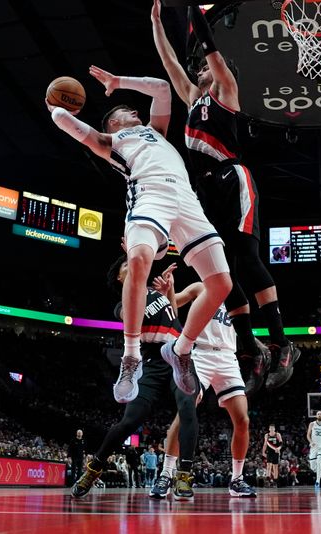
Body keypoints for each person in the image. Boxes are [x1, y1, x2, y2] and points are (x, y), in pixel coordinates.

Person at [47, 64, 232, 401]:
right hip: (149, 194)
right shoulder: (110, 141)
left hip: (187, 199)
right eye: (125, 110)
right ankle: (131, 356)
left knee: (222, 284)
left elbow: (161, 88)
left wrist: (119, 81)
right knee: (140, 262)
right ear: (114, 122)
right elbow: (70, 126)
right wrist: (56, 109)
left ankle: (181, 349)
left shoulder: (156, 131)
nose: (134, 110)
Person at [150, 0, 299, 392]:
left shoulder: (226, 91)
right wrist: (157, 26)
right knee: (220, 271)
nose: (199, 69)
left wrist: (191, 12)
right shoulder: (193, 100)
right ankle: (250, 348)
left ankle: (283, 343)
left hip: (233, 179)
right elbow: (169, 65)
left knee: (247, 259)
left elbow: (210, 47)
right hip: (206, 190)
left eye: (206, 67)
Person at [69, 260, 199, 498]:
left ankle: (183, 475)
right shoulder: (122, 304)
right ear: (120, 279)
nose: (134, 264)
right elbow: (130, 316)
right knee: (130, 421)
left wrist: (169, 289)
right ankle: (94, 468)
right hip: (153, 362)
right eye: (127, 265)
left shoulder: (154, 291)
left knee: (188, 409)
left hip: (179, 356)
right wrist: (139, 290)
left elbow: (173, 316)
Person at [154, 268, 257, 498]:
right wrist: (168, 291)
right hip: (200, 354)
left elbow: (244, 331)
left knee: (243, 419)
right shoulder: (200, 287)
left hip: (228, 357)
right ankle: (166, 474)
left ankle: (237, 479)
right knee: (185, 412)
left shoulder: (237, 299)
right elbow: (172, 308)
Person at [307, 411, 321, 488]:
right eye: (318, 414)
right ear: (316, 416)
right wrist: (311, 442)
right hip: (313, 447)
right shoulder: (312, 424)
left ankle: (317, 482)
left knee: (319, 462)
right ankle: (319, 472)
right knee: (313, 467)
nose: (319, 415)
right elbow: (308, 435)